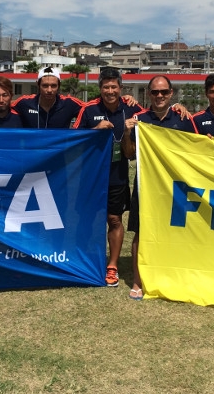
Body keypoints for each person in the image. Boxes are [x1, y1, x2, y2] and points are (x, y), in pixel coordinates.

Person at [123, 75, 197, 300]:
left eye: (164, 91)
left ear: (171, 93)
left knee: (177, 232)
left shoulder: (183, 118)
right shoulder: (139, 120)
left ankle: (174, 275)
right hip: (146, 186)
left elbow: (198, 150)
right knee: (141, 232)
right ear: (148, 94)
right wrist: (127, 132)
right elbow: (128, 154)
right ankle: (137, 280)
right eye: (155, 92)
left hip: (176, 188)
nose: (159, 96)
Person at [73, 67, 143, 287]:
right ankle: (86, 261)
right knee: (87, 219)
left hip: (118, 174)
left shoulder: (132, 108)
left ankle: (112, 265)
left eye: (114, 86)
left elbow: (152, 120)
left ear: (121, 88)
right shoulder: (89, 108)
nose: (110, 91)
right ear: (100, 88)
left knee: (114, 219)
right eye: (106, 87)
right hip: (91, 175)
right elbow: (74, 139)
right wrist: (95, 129)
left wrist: (178, 107)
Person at [11, 67, 84, 128]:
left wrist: (78, 128)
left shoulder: (69, 103)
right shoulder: (25, 102)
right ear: (38, 85)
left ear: (59, 85)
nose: (49, 90)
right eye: (45, 86)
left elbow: (91, 109)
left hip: (59, 145)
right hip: (33, 145)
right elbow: (4, 106)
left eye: (53, 86)